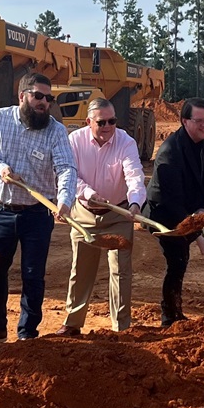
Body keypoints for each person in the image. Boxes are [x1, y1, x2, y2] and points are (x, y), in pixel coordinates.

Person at [0, 72, 77, 345]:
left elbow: (66, 168)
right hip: (2, 211)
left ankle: (28, 334)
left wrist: (65, 199)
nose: (44, 103)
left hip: (38, 213)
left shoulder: (56, 131)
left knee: (32, 275)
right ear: (22, 95)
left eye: (48, 98)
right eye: (38, 96)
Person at [56, 98, 146, 335]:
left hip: (118, 214)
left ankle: (121, 327)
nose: (108, 126)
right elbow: (68, 175)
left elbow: (134, 175)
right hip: (84, 213)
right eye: (102, 122)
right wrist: (88, 193)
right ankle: (73, 323)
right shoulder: (74, 141)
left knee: (121, 270)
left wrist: (135, 203)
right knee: (81, 268)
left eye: (112, 121)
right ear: (88, 122)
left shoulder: (126, 142)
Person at [143, 98, 204, 326]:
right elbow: (171, 199)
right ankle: (169, 318)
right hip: (164, 212)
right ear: (185, 121)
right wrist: (196, 234)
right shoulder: (170, 151)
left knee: (180, 260)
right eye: (199, 121)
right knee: (177, 259)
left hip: (191, 207)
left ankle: (174, 314)